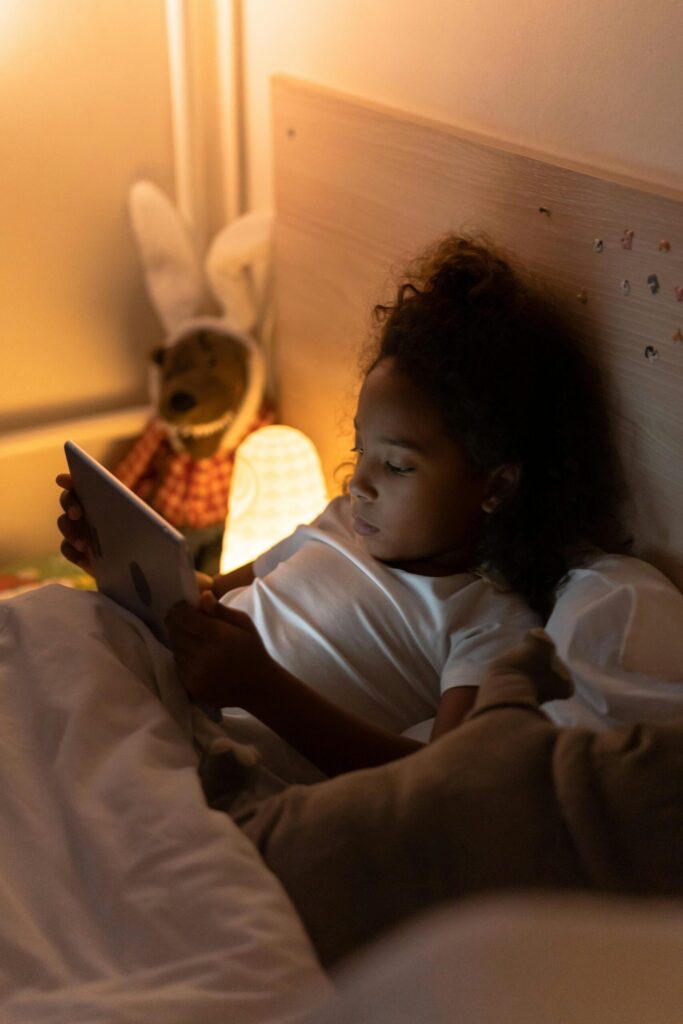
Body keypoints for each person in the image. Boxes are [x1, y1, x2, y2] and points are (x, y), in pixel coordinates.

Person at [57, 234, 629, 778]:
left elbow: (445, 782)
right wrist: (127, 563)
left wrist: (263, 690)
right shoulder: (337, 521)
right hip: (157, 694)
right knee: (47, 625)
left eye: (398, 466)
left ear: (497, 488)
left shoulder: (489, 623)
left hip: (216, 760)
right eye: (361, 449)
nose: (359, 483)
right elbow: (209, 594)